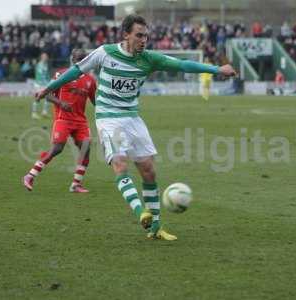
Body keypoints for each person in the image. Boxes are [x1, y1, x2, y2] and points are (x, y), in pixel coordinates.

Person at [35, 15, 236, 241]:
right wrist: (48, 88)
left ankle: (156, 228)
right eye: (139, 35)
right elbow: (76, 71)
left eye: (146, 36)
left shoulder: (149, 59)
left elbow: (183, 65)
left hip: (132, 117)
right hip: (108, 118)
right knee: (120, 164)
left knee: (149, 170)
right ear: (126, 34)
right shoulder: (105, 53)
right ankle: (142, 213)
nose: (144, 40)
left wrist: (217, 69)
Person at [23, 49, 97, 193]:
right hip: (63, 119)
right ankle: (30, 175)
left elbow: (95, 101)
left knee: (86, 149)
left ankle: (76, 184)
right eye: (77, 59)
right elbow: (48, 95)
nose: (80, 62)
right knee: (57, 149)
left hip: (80, 121)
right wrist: (60, 103)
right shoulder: (62, 74)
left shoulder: (90, 80)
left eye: (82, 59)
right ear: (72, 59)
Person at [32, 53, 51, 119]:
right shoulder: (40, 65)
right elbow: (40, 75)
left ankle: (44, 112)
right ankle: (34, 113)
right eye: (45, 57)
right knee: (38, 97)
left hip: (44, 84)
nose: (46, 58)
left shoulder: (45, 64)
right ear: (42, 57)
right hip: (39, 84)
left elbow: (47, 75)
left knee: (48, 97)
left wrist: (49, 81)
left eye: (46, 56)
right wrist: (47, 83)